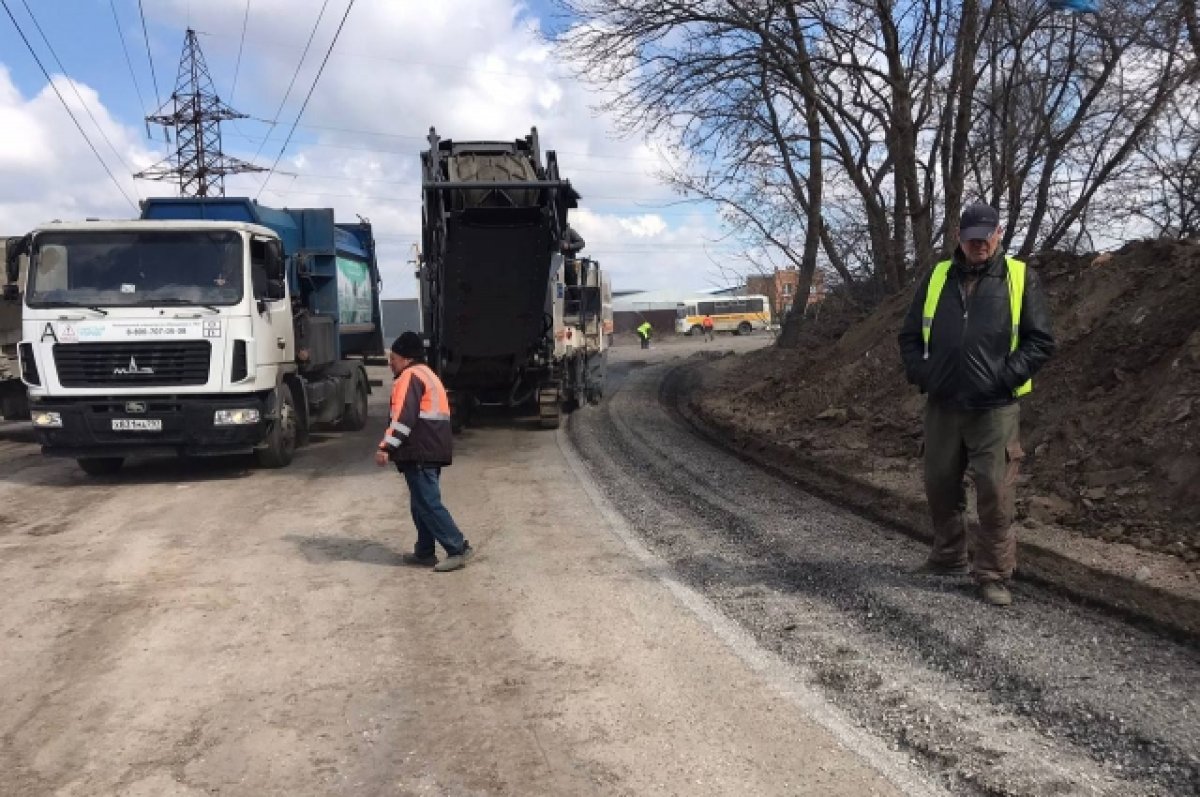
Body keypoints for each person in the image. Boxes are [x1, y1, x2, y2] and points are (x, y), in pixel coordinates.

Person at [897, 202, 1055, 607]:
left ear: (998, 234)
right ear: (959, 239)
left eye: (986, 236)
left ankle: (992, 573)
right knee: (939, 484)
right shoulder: (937, 278)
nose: (979, 243)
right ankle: (948, 556)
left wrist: (1003, 378)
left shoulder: (1019, 277)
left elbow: (1041, 341)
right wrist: (925, 375)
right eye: (971, 238)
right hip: (944, 404)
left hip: (995, 408)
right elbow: (910, 336)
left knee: (994, 492)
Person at [375, 331, 473, 572]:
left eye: (394, 358)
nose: (390, 363)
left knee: (427, 503)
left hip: (420, 449)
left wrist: (386, 446)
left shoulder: (409, 377)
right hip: (431, 448)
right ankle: (424, 551)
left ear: (406, 359)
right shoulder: (427, 374)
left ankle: (457, 548)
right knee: (421, 502)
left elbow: (402, 418)